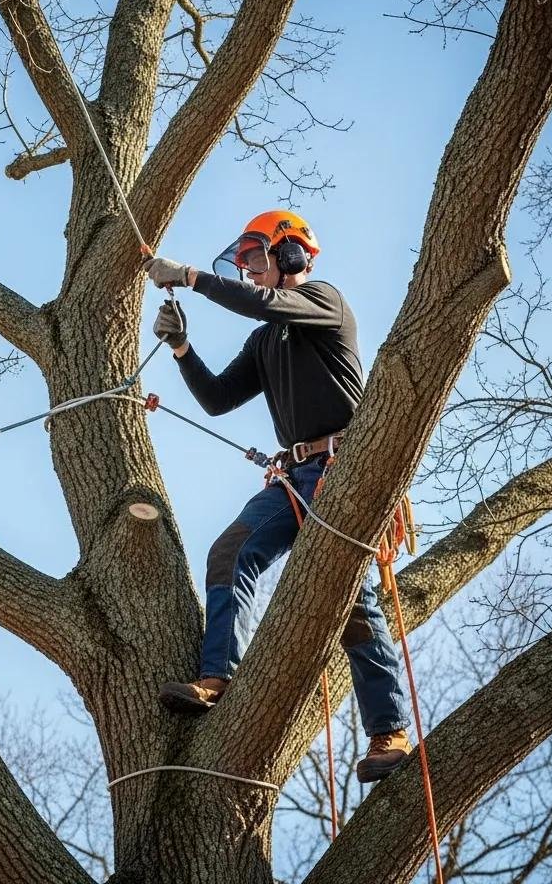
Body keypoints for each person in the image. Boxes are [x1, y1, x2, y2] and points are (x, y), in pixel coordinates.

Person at [143, 210, 412, 782]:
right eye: (241, 265)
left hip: (347, 468)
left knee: (350, 596)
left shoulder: (324, 301)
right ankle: (218, 676)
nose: (248, 274)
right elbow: (217, 399)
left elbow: (264, 303)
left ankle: (389, 728)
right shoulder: (265, 341)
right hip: (293, 477)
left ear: (292, 256)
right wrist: (183, 348)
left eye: (256, 260)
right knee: (230, 552)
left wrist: (191, 276)